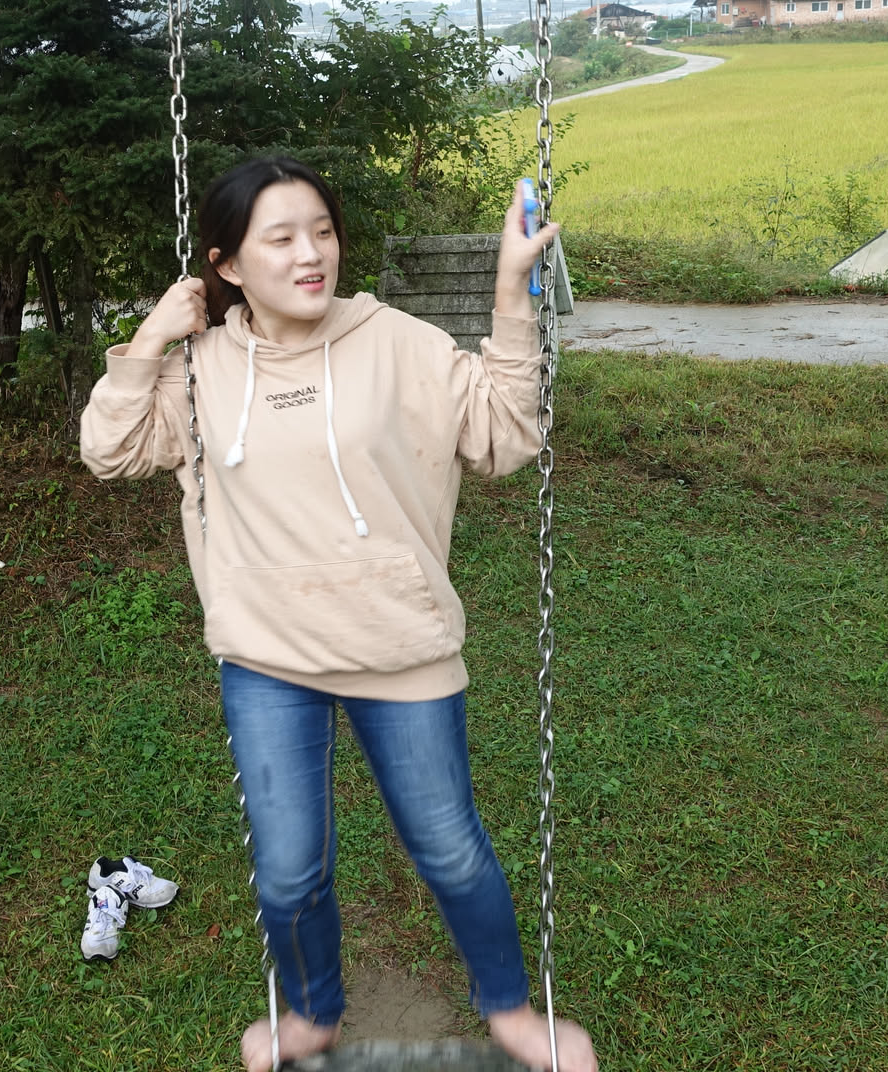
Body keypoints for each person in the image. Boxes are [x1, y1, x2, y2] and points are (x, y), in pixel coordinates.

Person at [79, 156, 597, 1072]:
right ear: (227, 264)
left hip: (400, 645)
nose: (310, 254)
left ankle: (513, 1014)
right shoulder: (201, 369)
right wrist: (152, 336)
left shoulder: (394, 341)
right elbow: (110, 451)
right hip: (267, 656)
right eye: (280, 238)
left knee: (450, 851)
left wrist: (511, 293)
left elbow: (505, 435)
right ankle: (312, 1015)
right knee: (288, 873)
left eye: (322, 231)